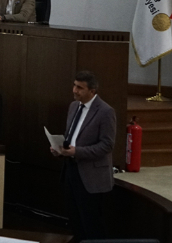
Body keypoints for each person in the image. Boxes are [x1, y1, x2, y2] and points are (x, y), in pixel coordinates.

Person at [50, 71, 116, 241]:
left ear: (92, 91)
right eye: (74, 85)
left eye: (80, 88)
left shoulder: (105, 111)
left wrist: (77, 152)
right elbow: (71, 136)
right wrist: (60, 150)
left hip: (91, 176)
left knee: (91, 223)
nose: (74, 90)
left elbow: (107, 145)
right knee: (75, 221)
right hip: (71, 170)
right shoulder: (73, 106)